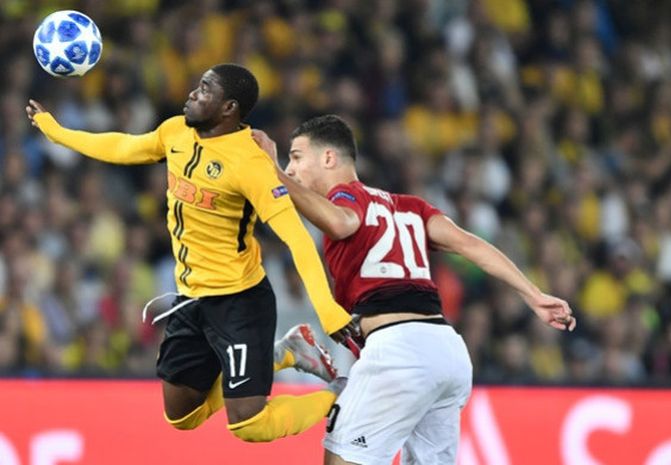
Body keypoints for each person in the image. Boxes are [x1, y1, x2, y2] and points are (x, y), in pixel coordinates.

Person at [25, 63, 354, 443]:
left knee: (249, 423)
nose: (192, 93)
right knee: (181, 416)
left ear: (229, 107)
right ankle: (286, 351)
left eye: (204, 89)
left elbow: (297, 238)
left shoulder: (250, 163)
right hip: (190, 299)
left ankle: (339, 395)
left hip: (239, 302)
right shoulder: (175, 131)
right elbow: (124, 146)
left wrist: (328, 311)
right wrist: (58, 132)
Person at [252, 115, 576, 465]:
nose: (291, 167)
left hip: (398, 351)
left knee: (341, 459)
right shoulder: (411, 207)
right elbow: (471, 244)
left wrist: (274, 172)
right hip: (448, 351)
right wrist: (533, 295)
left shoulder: (346, 197)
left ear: (329, 158)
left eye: (297, 157)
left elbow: (341, 222)